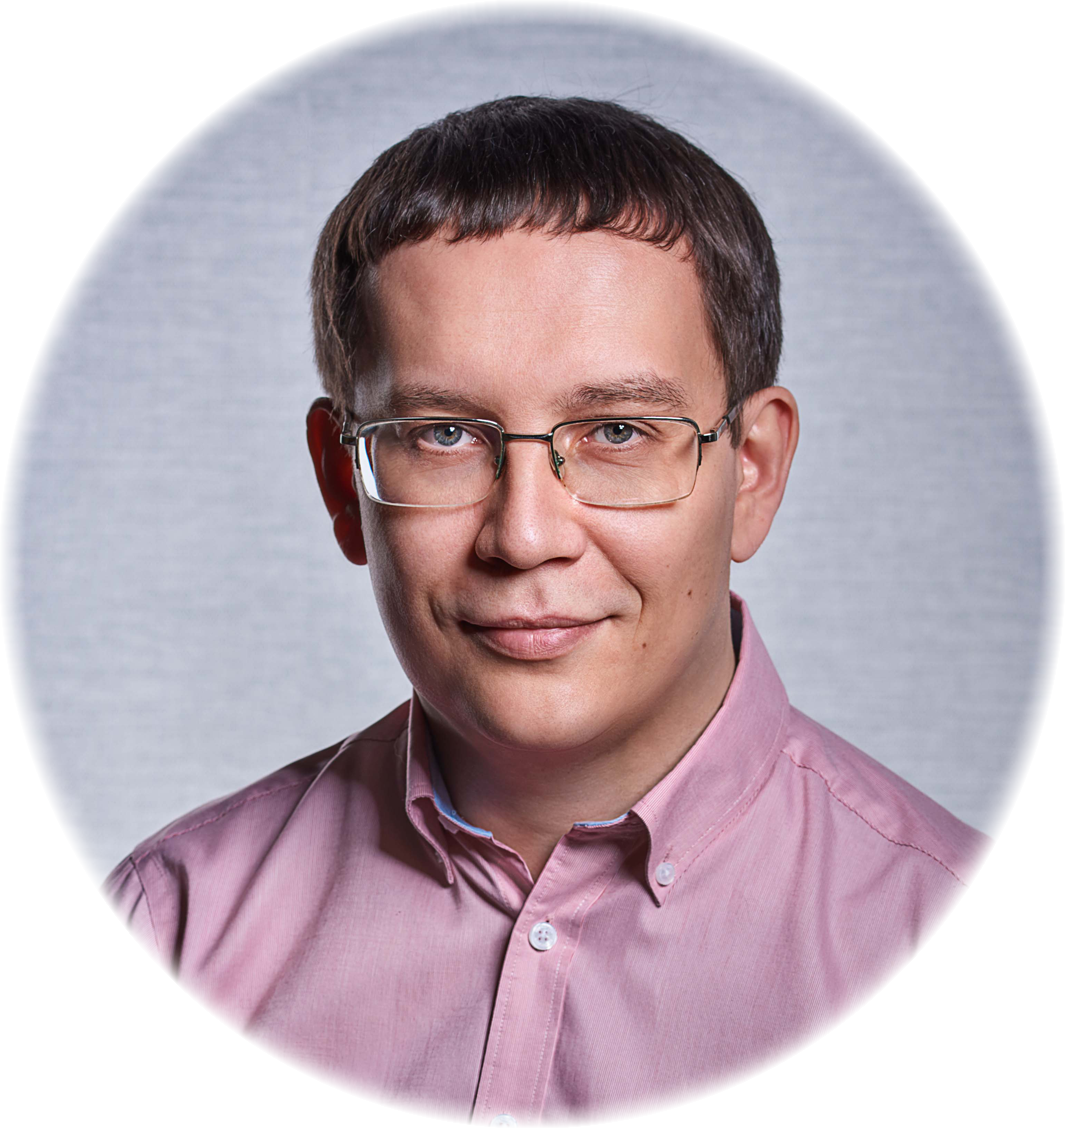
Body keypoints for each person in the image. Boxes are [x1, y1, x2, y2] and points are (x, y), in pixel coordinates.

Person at [100, 96, 994, 1127]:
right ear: (344, 486)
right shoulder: (168, 938)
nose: (524, 536)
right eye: (441, 435)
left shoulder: (965, 955)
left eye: (617, 430)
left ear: (750, 471)